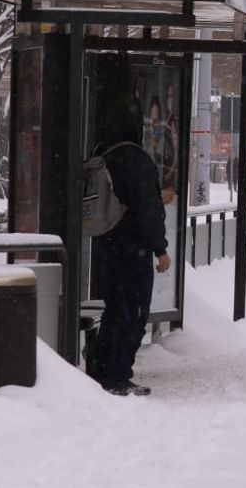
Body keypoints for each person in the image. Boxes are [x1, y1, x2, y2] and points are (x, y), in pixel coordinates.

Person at [87, 96, 172, 396]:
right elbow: (148, 209)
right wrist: (160, 248)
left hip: (106, 243)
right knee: (133, 312)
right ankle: (117, 375)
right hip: (131, 248)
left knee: (115, 308)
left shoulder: (103, 153)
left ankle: (100, 369)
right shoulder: (136, 159)